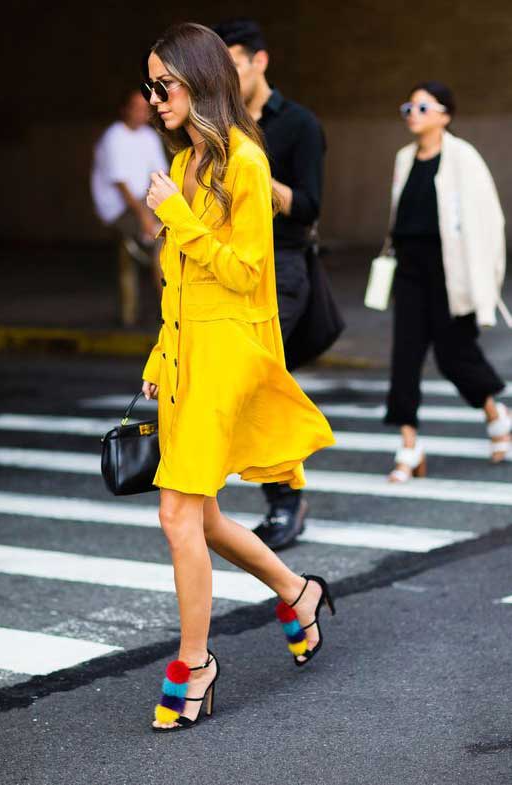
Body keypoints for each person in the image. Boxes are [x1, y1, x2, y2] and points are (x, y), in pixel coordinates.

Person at [140, 22, 336, 732]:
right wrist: (161, 359)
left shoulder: (245, 163)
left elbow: (245, 269)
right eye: (150, 84)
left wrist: (179, 219)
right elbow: (181, 282)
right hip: (188, 357)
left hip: (227, 355)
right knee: (207, 518)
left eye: (165, 82)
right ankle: (297, 589)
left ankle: (195, 663)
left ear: (199, 81)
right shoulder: (189, 161)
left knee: (176, 513)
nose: (155, 95)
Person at [213, 18, 326, 550]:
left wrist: (259, 183)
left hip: (282, 267)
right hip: (231, 266)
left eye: (234, 61)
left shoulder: (298, 125)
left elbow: (309, 206)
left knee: (261, 379)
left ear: (260, 61)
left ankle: (285, 500)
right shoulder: (219, 129)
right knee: (247, 380)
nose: (228, 73)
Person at [385, 81, 509, 482]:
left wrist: (486, 278)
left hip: (449, 271)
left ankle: (495, 414)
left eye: (422, 108)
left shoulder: (463, 158)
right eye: (409, 108)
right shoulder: (405, 158)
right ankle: (408, 445)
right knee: (404, 356)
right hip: (409, 270)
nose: (413, 115)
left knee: (455, 356)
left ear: (445, 115)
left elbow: (489, 221)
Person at [91, 88, 168, 326]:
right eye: (136, 107)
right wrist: (146, 218)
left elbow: (159, 174)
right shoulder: (114, 136)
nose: (141, 113)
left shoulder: (149, 136)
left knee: (171, 232)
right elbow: (122, 186)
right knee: (159, 240)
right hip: (119, 208)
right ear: (124, 110)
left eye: (145, 108)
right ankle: (167, 309)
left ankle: (169, 307)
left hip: (143, 202)